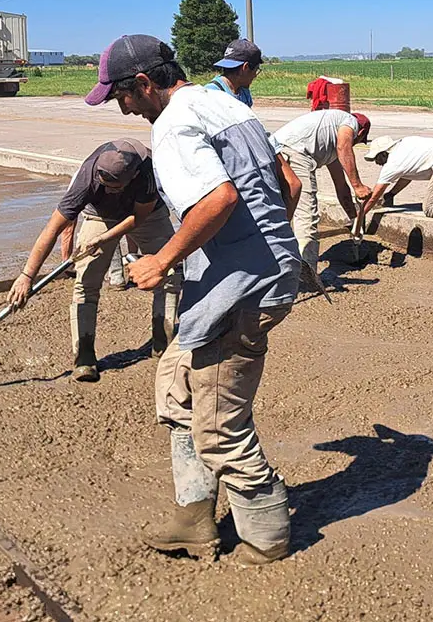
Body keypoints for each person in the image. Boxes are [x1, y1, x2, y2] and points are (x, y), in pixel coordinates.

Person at [84, 34, 302, 566]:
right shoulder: (226, 105)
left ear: (143, 83)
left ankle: (267, 537)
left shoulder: (175, 125)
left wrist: (161, 259)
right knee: (177, 385)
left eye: (122, 97)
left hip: (241, 292)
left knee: (220, 425)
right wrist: (272, 244)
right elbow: (288, 185)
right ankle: (193, 517)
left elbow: (219, 198)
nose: (124, 110)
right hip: (240, 279)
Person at [8, 138, 180, 382]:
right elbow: (52, 229)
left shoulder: (147, 172)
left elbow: (138, 217)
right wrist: (27, 276)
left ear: (132, 177)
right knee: (86, 284)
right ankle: (84, 358)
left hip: (146, 214)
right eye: (104, 185)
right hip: (99, 215)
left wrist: (105, 239)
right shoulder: (86, 178)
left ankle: (164, 345)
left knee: (170, 274)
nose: (108, 190)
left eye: (114, 187)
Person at [270, 108, 373, 271]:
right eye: (358, 140)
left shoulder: (330, 143)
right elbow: (344, 147)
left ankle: (274, 263)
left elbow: (341, 187)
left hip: (276, 152)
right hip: (295, 153)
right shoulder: (350, 122)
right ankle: (306, 274)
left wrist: (354, 219)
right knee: (306, 216)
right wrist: (358, 186)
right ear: (359, 132)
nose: (355, 143)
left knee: (279, 211)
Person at [204, 38, 262, 107]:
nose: (255, 76)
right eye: (256, 70)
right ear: (245, 67)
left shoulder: (243, 90)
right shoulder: (211, 93)